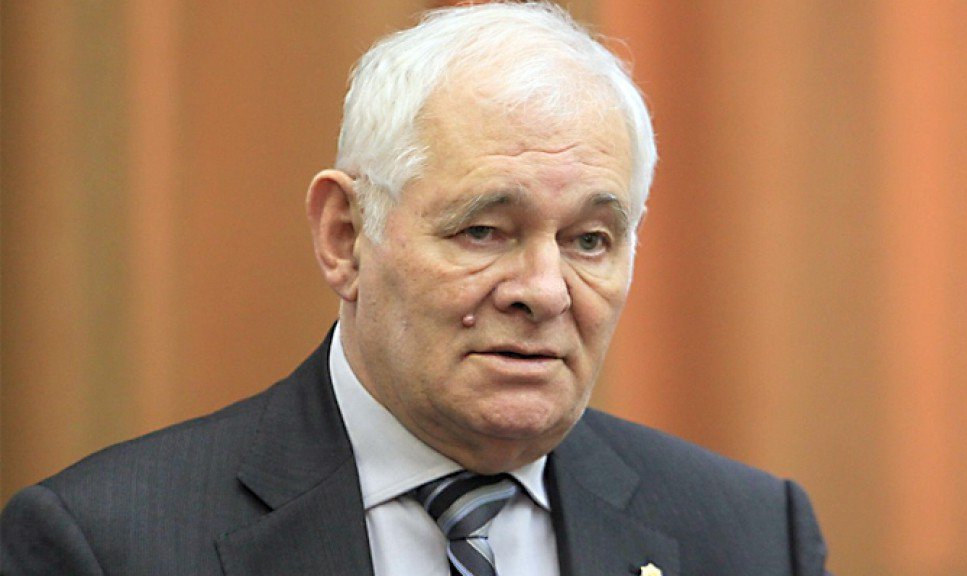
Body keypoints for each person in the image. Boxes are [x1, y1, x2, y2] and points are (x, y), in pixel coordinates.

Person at [1, 2, 829, 575]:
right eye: (484, 230)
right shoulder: (107, 545)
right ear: (344, 236)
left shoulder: (754, 538)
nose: (545, 292)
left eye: (589, 240)